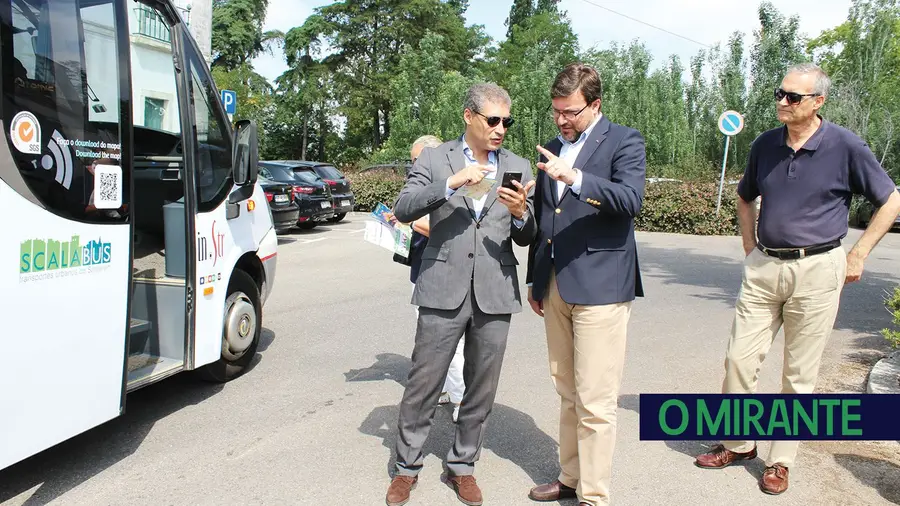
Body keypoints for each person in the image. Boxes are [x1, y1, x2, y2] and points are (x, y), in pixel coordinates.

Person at [693, 63, 900, 495]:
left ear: (818, 101)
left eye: (793, 97)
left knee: (799, 375)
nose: (782, 102)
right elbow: (745, 196)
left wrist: (858, 253)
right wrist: (750, 246)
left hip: (819, 268)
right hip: (765, 266)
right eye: (779, 93)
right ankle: (739, 443)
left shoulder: (845, 146)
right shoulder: (766, 144)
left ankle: (781, 460)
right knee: (738, 360)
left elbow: (891, 200)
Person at [385, 82, 537, 506]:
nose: (500, 128)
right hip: (441, 286)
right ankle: (405, 468)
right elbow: (404, 207)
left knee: (481, 387)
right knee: (424, 382)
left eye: (507, 121)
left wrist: (523, 212)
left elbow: (528, 236)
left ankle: (462, 465)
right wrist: (451, 183)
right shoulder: (436, 159)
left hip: (495, 289)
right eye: (492, 120)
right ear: (469, 116)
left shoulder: (518, 166)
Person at [525, 63, 646, 506]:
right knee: (567, 391)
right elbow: (545, 221)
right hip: (556, 285)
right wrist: (537, 282)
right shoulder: (554, 146)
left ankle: (595, 496)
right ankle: (570, 477)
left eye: (571, 112)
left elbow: (630, 200)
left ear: (595, 105)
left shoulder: (624, 140)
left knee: (596, 399)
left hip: (601, 289)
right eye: (556, 111)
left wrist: (574, 178)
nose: (561, 121)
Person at [403, 134, 466, 423]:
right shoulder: (424, 186)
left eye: (416, 161)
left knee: (448, 343)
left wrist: (415, 223)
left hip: (441, 273)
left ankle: (461, 399)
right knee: (432, 341)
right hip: (422, 270)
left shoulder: (452, 183)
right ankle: (444, 389)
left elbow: (453, 229)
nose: (413, 166)